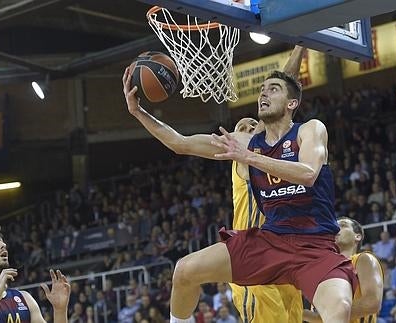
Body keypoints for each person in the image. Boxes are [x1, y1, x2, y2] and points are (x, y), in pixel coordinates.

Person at [123, 46, 357, 322]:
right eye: (262, 90)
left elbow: (307, 174)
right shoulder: (246, 143)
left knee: (340, 308)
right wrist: (138, 112)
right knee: (184, 270)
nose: (263, 94)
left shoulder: (310, 129)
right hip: (271, 241)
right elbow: (180, 143)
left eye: (272, 89)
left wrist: (300, 44)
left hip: (315, 245)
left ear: (292, 103)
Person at [228, 117, 302, 323]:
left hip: (284, 254)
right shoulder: (242, 160)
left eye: (252, 125)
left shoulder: (279, 161)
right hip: (251, 255)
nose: (250, 129)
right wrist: (278, 103)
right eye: (242, 128)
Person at [303, 217, 383, 322]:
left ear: (357, 236)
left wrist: (321, 318)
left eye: (343, 225)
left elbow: (372, 302)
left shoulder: (363, 259)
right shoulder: (319, 271)